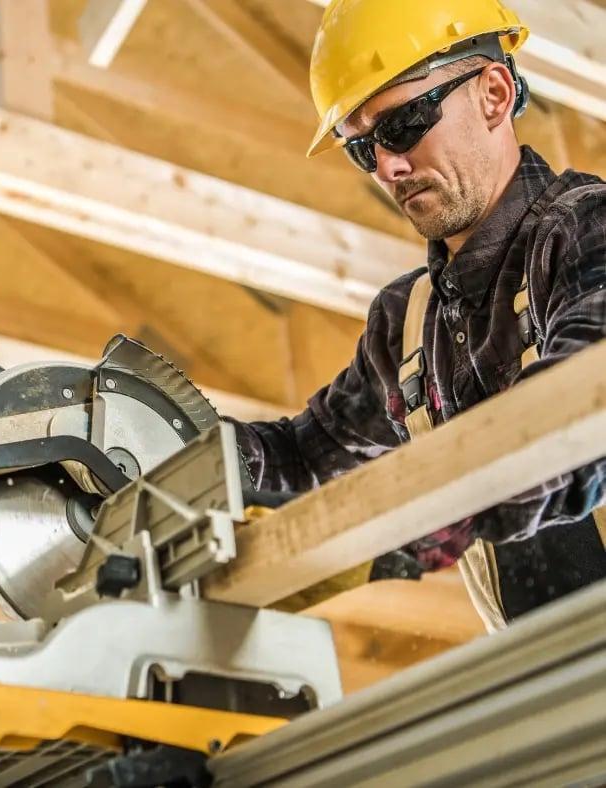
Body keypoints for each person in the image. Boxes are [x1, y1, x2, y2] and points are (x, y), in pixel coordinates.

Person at [231, 0, 606, 630]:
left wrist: (409, 515)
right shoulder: (407, 327)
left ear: (493, 92)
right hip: (552, 689)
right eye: (362, 149)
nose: (387, 167)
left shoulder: (586, 231)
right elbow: (301, 465)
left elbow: (578, 418)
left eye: (404, 124)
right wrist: (155, 444)